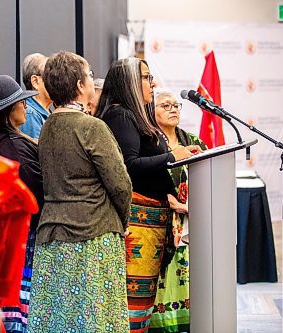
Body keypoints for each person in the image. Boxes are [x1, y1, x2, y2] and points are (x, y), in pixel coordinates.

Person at [27, 51, 132, 332]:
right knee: (97, 318)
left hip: (52, 233)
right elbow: (120, 184)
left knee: (58, 319)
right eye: (88, 75)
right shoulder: (92, 127)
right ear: (79, 86)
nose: (90, 80)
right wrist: (123, 221)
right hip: (95, 234)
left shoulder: (47, 127)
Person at [95, 57, 201, 332]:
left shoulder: (131, 115)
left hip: (151, 223)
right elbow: (128, 166)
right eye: (146, 77)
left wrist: (169, 189)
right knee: (133, 308)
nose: (152, 83)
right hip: (139, 226)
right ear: (128, 82)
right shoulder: (121, 115)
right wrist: (171, 156)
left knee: (141, 307)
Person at [0, 74, 44, 333]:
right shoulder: (15, 147)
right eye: (20, 102)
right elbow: (35, 196)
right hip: (22, 242)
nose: (25, 106)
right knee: (20, 315)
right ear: (6, 111)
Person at [149, 89, 207, 333]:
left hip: (189, 226)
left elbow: (208, 181)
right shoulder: (149, 145)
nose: (173, 109)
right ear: (151, 112)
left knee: (190, 282)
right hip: (156, 225)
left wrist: (187, 206)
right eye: (165, 105)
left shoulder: (194, 142)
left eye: (176, 105)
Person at [19, 53, 53, 139]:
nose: (56, 80)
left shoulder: (45, 111)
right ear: (35, 81)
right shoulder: (30, 115)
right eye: (51, 76)